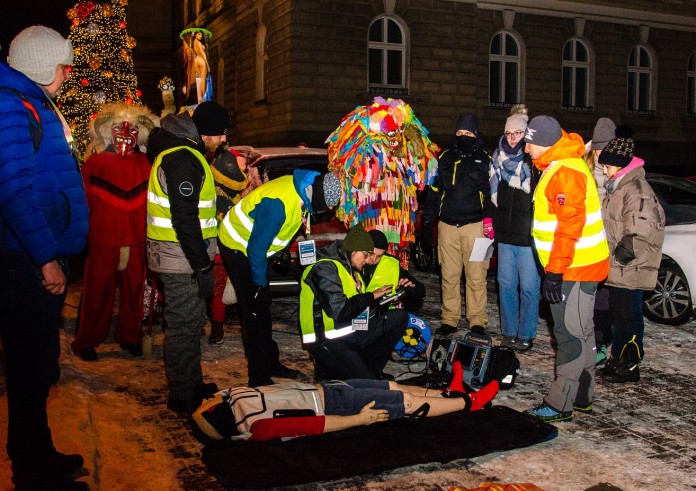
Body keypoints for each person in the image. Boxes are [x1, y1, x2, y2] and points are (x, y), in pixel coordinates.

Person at [0, 26, 89, 490]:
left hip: (34, 257)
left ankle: (38, 453)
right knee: (30, 366)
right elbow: (13, 191)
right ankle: (31, 471)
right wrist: (45, 259)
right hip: (25, 262)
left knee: (37, 367)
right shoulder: (10, 105)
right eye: (62, 64)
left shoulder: (30, 101)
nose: (68, 73)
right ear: (39, 64)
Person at [218, 166, 342, 387]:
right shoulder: (280, 203)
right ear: (321, 196)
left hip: (253, 245)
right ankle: (258, 375)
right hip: (238, 246)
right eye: (331, 204)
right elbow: (256, 248)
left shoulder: (303, 189)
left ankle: (271, 363)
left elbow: (272, 231)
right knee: (254, 312)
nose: (331, 210)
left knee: (264, 308)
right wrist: (258, 284)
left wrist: (279, 249)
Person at [522, 116, 610, 422]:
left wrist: (555, 272)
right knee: (583, 333)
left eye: (529, 142)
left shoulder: (564, 172)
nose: (526, 148)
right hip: (582, 266)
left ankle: (560, 403)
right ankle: (583, 396)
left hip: (573, 269)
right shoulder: (563, 165)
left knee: (569, 335)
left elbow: (569, 227)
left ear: (543, 143)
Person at [146, 100, 230, 413]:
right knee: (183, 326)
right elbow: (185, 219)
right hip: (180, 258)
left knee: (192, 323)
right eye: (220, 134)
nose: (223, 140)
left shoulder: (181, 151)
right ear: (204, 132)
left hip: (178, 256)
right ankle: (182, 395)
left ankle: (192, 383)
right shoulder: (184, 158)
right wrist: (202, 265)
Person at [193, 361, 500, 441]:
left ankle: (449, 393)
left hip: (327, 389)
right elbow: (312, 425)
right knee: (403, 402)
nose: (211, 400)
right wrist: (358, 420)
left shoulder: (231, 398)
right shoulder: (255, 426)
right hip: (334, 406)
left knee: (392, 385)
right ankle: (470, 403)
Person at [71, 103, 157, 361]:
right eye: (120, 128)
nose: (125, 133)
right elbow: (83, 202)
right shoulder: (94, 164)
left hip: (136, 238)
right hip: (103, 238)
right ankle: (87, 339)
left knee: (134, 293)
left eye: (132, 129)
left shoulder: (147, 164)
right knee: (97, 291)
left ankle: (130, 335)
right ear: (109, 131)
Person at [300, 224, 409, 381]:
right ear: (353, 250)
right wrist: (370, 296)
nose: (367, 260)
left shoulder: (350, 268)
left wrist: (378, 302)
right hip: (327, 341)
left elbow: (357, 307)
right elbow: (340, 311)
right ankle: (338, 371)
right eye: (365, 255)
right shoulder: (324, 268)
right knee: (372, 386)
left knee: (399, 317)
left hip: (349, 334)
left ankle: (369, 369)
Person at [598, 129, 665, 383]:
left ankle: (629, 365)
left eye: (606, 166)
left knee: (629, 317)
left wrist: (617, 260)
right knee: (621, 317)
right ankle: (619, 360)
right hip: (620, 268)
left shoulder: (635, 190)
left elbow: (638, 232)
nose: (604, 171)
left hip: (630, 267)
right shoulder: (619, 187)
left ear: (619, 165)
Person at [422, 113, 492, 336]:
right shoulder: (444, 157)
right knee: (449, 276)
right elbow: (434, 192)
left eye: (468, 133)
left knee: (477, 275)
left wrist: (490, 224)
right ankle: (449, 319)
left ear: (476, 134)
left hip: (477, 228)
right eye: (460, 133)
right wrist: (427, 222)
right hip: (448, 228)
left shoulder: (486, 158)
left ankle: (477, 320)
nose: (464, 136)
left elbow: (491, 196)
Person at [488, 104, 541, 352]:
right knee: (506, 285)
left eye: (517, 133)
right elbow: (490, 194)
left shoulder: (534, 163)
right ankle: (509, 332)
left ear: (525, 134)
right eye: (509, 133)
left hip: (528, 237)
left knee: (529, 288)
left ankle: (526, 333)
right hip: (505, 235)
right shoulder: (496, 159)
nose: (512, 138)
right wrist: (489, 221)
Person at [584, 117, 618, 367]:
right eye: (595, 149)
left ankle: (605, 343)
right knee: (589, 299)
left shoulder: (616, 172)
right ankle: (593, 343)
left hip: (609, 243)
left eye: (602, 150)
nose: (598, 155)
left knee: (605, 300)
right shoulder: (584, 167)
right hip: (588, 242)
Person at [208, 146, 249, 345]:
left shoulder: (236, 195)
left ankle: (242, 326)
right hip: (214, 247)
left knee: (237, 288)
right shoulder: (213, 193)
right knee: (216, 289)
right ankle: (216, 326)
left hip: (235, 246)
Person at [361, 229, 426, 309]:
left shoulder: (390, 264)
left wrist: (409, 290)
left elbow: (420, 289)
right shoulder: (351, 262)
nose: (373, 259)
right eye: (371, 253)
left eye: (379, 256)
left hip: (382, 315)